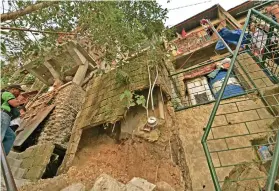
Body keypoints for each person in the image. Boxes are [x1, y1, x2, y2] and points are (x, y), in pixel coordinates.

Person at [1, 85, 25, 154]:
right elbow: (14, 104)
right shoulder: (7, 93)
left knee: (11, 136)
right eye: (19, 91)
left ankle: (2, 157)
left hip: (6, 117)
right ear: (13, 89)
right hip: (3, 114)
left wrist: (20, 102)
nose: (19, 93)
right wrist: (19, 100)